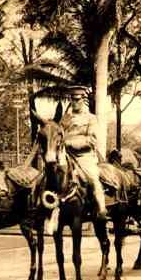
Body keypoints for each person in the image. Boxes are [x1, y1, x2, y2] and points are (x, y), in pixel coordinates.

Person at [60, 86, 107, 220]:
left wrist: (71, 143)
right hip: (65, 154)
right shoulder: (65, 118)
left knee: (93, 178)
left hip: (84, 156)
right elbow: (59, 135)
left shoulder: (91, 118)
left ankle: (101, 208)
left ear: (83, 100)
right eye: (72, 100)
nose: (74, 102)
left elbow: (92, 140)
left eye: (77, 100)